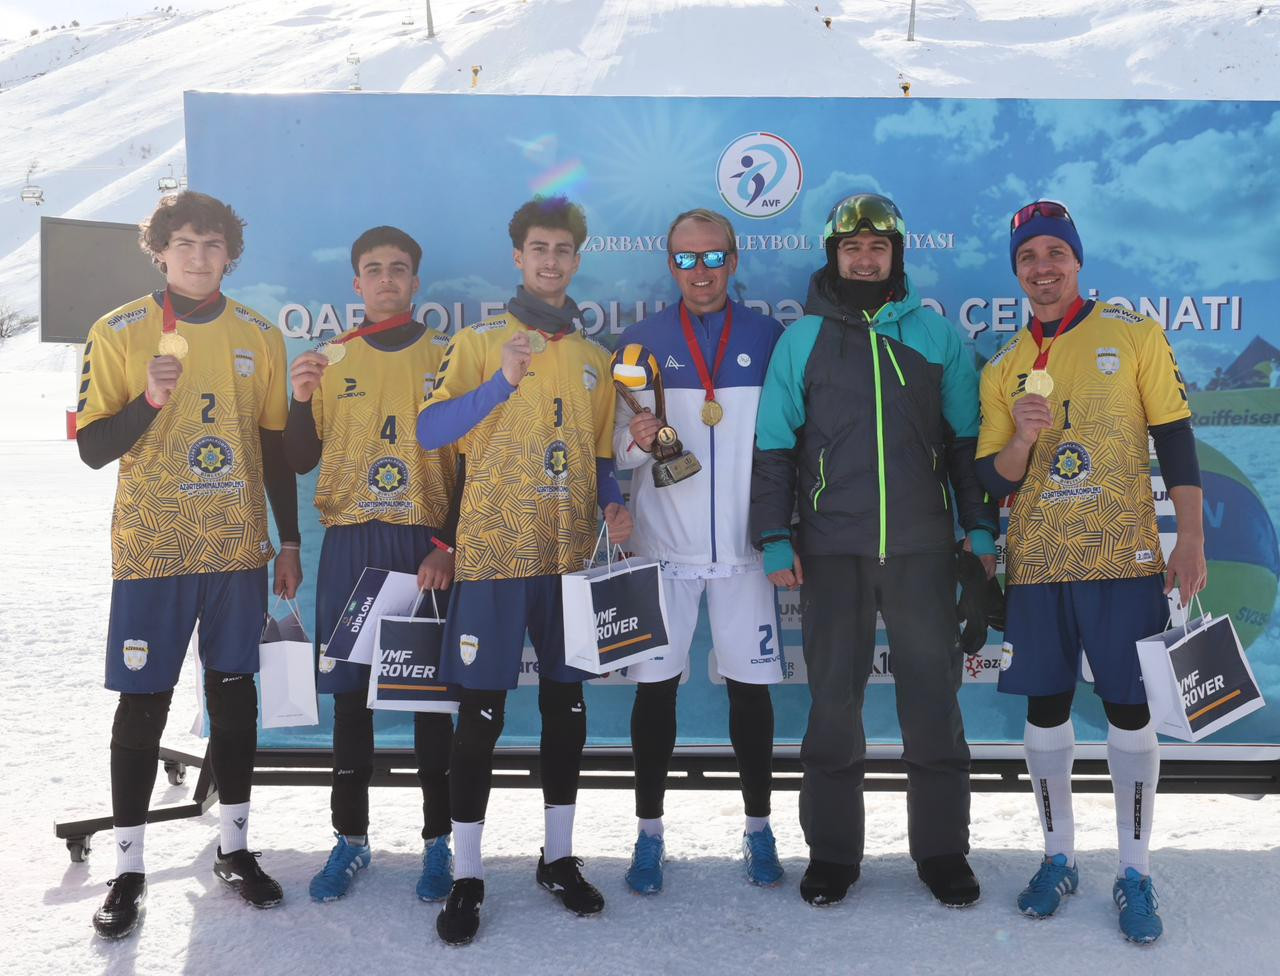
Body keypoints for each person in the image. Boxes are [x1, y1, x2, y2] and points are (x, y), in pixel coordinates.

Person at [751, 192, 998, 909]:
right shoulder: (803, 340)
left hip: (923, 549)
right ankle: (832, 855)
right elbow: (774, 449)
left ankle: (943, 853)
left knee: (934, 704)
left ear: (896, 256)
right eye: (852, 248)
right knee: (834, 707)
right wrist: (774, 536)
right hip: (834, 550)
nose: (865, 259)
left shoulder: (934, 335)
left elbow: (965, 445)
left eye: (878, 248)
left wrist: (979, 529)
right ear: (834, 256)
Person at [976, 200, 1205, 944]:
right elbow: (992, 479)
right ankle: (1059, 857)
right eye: (1028, 257)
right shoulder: (1004, 365)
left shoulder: (1132, 333)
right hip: (1038, 564)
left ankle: (1134, 870)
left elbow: (1175, 438)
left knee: (1129, 713)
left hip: (1124, 557)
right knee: (1045, 710)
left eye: (1055, 253)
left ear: (1076, 260)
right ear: (1016, 271)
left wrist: (1190, 540)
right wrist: (1022, 440)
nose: (1042, 267)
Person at [77, 191, 301, 939]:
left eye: (212, 244)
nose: (199, 257)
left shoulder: (259, 335)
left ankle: (234, 848)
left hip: (236, 548)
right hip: (153, 550)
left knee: (234, 699)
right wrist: (147, 401)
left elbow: (274, 448)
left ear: (230, 254)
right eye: (184, 243)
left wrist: (290, 540)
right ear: (160, 251)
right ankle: (128, 868)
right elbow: (93, 448)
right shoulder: (117, 330)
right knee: (142, 704)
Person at [416, 195, 632, 946]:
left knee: (566, 712)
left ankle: (558, 858)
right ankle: (469, 873)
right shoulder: (479, 341)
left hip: (568, 559)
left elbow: (600, 457)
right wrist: (500, 384)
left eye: (562, 250)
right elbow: (431, 429)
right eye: (538, 248)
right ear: (518, 256)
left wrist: (613, 503)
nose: (550, 260)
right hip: (492, 557)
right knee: (480, 716)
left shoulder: (595, 359)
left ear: (577, 259)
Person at [612, 208, 785, 893]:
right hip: (663, 553)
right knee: (655, 695)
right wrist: (638, 440)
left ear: (733, 261)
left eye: (713, 257)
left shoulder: (768, 338)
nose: (701, 271)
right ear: (670, 265)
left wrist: (782, 532)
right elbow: (616, 448)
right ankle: (648, 834)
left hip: (746, 551)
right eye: (686, 259)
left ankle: (759, 828)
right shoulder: (640, 343)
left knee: (752, 697)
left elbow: (788, 440)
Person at [284, 226, 457, 905]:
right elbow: (300, 459)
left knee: (428, 704)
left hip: (421, 546)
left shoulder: (447, 357)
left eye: (399, 268)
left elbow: (473, 461)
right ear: (357, 282)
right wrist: (301, 401)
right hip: (352, 544)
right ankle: (350, 838)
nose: (387, 278)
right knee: (351, 703)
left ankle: (438, 843)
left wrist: (446, 545)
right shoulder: (329, 359)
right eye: (374, 268)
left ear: (415, 281)